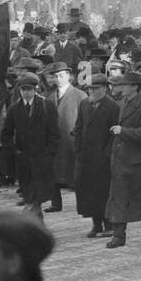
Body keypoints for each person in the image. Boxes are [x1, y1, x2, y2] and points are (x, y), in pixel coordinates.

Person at [104, 71, 141, 246]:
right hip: (122, 159)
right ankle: (119, 236)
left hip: (140, 162)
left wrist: (123, 131)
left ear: (135, 87)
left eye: (124, 85)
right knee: (119, 198)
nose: (120, 88)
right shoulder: (123, 103)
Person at [0, 73, 60, 217]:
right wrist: (14, 150)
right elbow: (5, 133)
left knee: (38, 193)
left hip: (42, 157)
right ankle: (36, 223)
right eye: (23, 89)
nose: (26, 92)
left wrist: (50, 153)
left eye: (29, 89)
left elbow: (54, 133)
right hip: (23, 158)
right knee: (28, 191)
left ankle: (32, 219)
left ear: (35, 89)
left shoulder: (47, 106)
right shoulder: (14, 109)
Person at [71, 73, 118, 238]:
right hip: (86, 157)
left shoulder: (113, 107)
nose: (91, 91)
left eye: (95, 88)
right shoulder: (84, 104)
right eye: (90, 88)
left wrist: (107, 153)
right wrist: (77, 149)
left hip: (103, 158)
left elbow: (114, 134)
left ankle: (109, 224)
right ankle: (96, 224)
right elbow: (78, 128)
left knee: (103, 191)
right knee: (88, 191)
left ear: (104, 89)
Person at [46, 61, 86, 212]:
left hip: (72, 140)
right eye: (55, 76)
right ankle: (55, 203)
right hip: (56, 140)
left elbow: (85, 119)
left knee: (76, 172)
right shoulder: (50, 97)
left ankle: (81, 203)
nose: (58, 79)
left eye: (61, 75)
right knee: (53, 171)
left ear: (68, 76)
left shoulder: (80, 95)